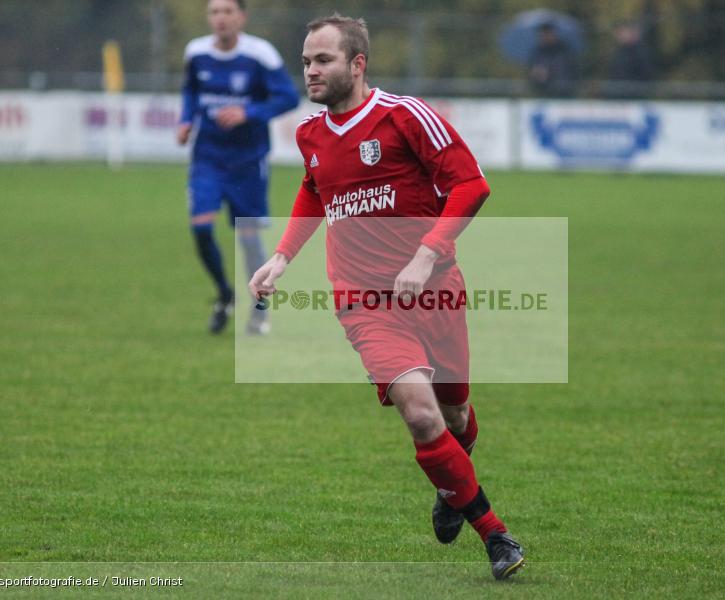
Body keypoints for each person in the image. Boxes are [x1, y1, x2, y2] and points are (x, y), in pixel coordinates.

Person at [249, 15, 525, 580]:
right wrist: (281, 255)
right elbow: (314, 189)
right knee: (422, 416)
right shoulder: (309, 134)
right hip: (364, 302)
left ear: (357, 64)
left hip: (435, 290)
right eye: (305, 61)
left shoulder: (405, 116)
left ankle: (453, 487)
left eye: (322, 60)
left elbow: (472, 184)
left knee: (455, 413)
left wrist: (427, 252)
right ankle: (495, 535)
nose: (311, 71)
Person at [178, 0, 299, 334]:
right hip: (208, 159)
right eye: (214, 12)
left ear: (241, 17)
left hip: (248, 161)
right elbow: (190, 90)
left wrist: (250, 114)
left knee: (249, 241)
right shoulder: (197, 52)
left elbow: (288, 96)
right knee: (201, 228)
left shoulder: (260, 54)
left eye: (227, 11)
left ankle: (259, 311)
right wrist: (186, 120)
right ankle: (224, 293)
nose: (221, 18)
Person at [527, 23, 578, 97]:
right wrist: (536, 73)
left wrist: (550, 72)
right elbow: (531, 69)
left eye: (548, 33)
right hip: (543, 92)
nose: (545, 36)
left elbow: (569, 70)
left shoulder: (564, 50)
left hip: (564, 91)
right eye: (543, 34)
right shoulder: (537, 52)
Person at [606, 21, 654, 98]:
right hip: (618, 93)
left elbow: (646, 72)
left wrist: (635, 88)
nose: (619, 36)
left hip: (632, 94)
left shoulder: (640, 52)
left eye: (622, 32)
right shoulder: (620, 51)